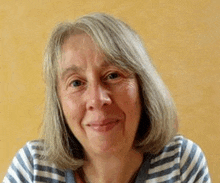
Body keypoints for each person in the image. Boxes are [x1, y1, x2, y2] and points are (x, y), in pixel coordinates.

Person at [3, 13, 211, 183]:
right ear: (58, 102)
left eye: (113, 75)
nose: (97, 99)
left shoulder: (180, 163)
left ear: (142, 86)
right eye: (76, 83)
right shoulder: (33, 168)